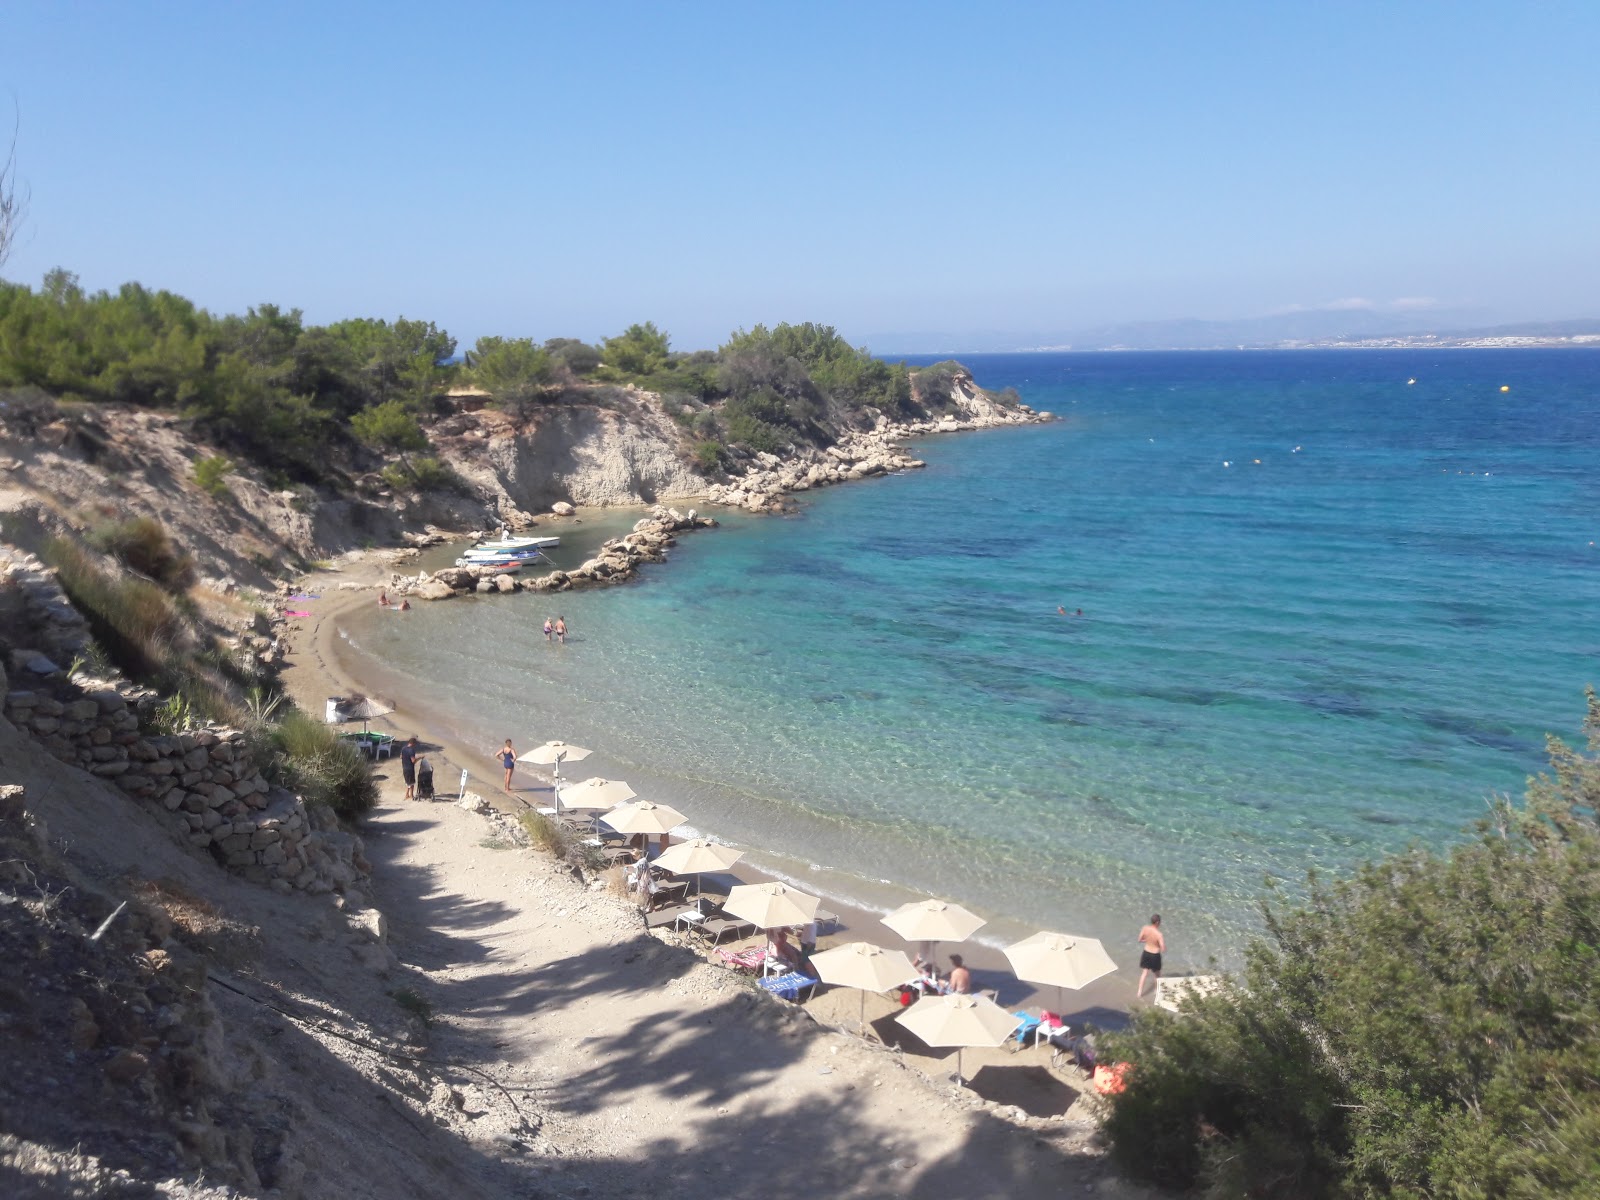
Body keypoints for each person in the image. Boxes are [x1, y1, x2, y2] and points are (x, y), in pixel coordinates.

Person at [1137, 914, 1165, 999]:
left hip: (1146, 952)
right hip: (1155, 955)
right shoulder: (1159, 934)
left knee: (1144, 973)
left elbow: (1139, 940)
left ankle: (1139, 992)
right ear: (1157, 922)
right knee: (1157, 974)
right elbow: (1163, 948)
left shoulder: (1145, 928)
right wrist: (1160, 946)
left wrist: (1147, 940)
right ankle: (1156, 991)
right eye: (1159, 922)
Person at [398, 736, 420, 801]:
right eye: (415, 744)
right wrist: (420, 758)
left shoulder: (403, 748)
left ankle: (407, 795)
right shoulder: (411, 750)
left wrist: (405, 758)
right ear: (413, 743)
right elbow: (413, 761)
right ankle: (411, 795)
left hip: (404, 767)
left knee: (408, 782)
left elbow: (401, 756)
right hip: (410, 768)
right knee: (412, 782)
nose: (415, 745)